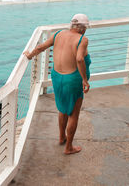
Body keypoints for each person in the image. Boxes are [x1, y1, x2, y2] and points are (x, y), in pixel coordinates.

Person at [23, 13, 91, 155]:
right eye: (86, 28)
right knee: (73, 113)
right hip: (72, 79)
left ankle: (61, 138)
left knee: (63, 109)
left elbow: (41, 47)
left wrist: (29, 55)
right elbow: (79, 59)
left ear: (72, 24)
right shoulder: (82, 40)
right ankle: (69, 147)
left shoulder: (58, 34)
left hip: (56, 76)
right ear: (82, 28)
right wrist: (84, 80)